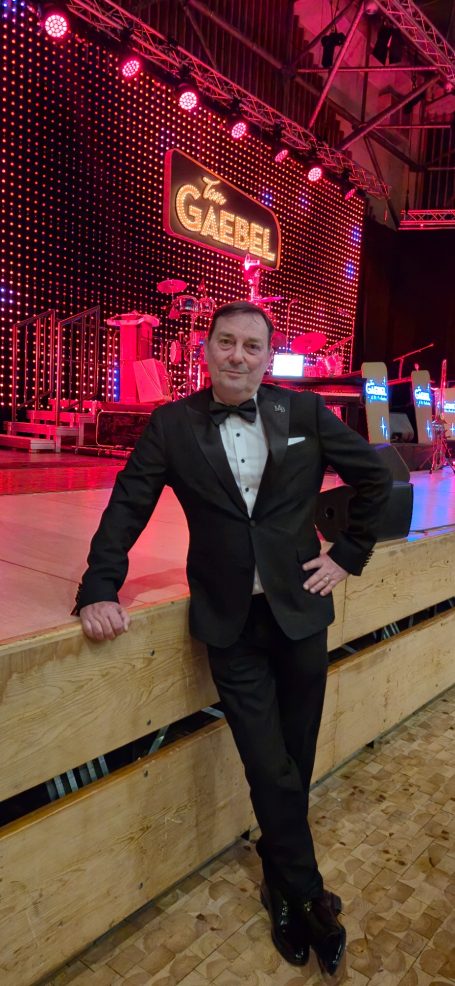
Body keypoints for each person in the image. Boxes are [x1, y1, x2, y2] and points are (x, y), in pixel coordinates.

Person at [75, 300, 392, 977]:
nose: (238, 356)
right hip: (229, 621)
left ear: (267, 356)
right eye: (226, 342)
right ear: (206, 349)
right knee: (267, 763)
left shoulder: (304, 413)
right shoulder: (172, 425)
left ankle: (279, 882)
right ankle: (308, 895)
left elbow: (375, 478)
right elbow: (127, 505)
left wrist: (347, 554)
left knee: (295, 759)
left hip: (301, 613)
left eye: (252, 346)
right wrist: (100, 586)